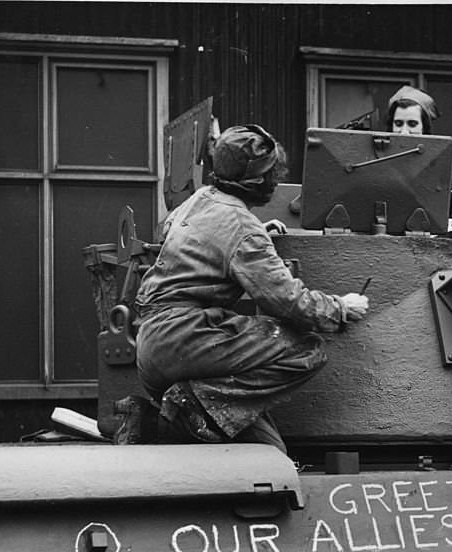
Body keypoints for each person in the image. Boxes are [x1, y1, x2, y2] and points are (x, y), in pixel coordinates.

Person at [114, 124, 369, 452]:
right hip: (185, 337)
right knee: (307, 349)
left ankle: (156, 417)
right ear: (254, 181)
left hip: (153, 345)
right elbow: (287, 300)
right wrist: (341, 308)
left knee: (269, 451)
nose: (275, 182)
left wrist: (253, 234)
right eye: (270, 174)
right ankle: (172, 418)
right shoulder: (242, 228)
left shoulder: (199, 200)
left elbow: (190, 237)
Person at [386, 85, 452, 238]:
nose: (404, 132)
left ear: (424, 127)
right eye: (399, 124)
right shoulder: (378, 164)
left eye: (412, 124)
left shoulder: (448, 166)